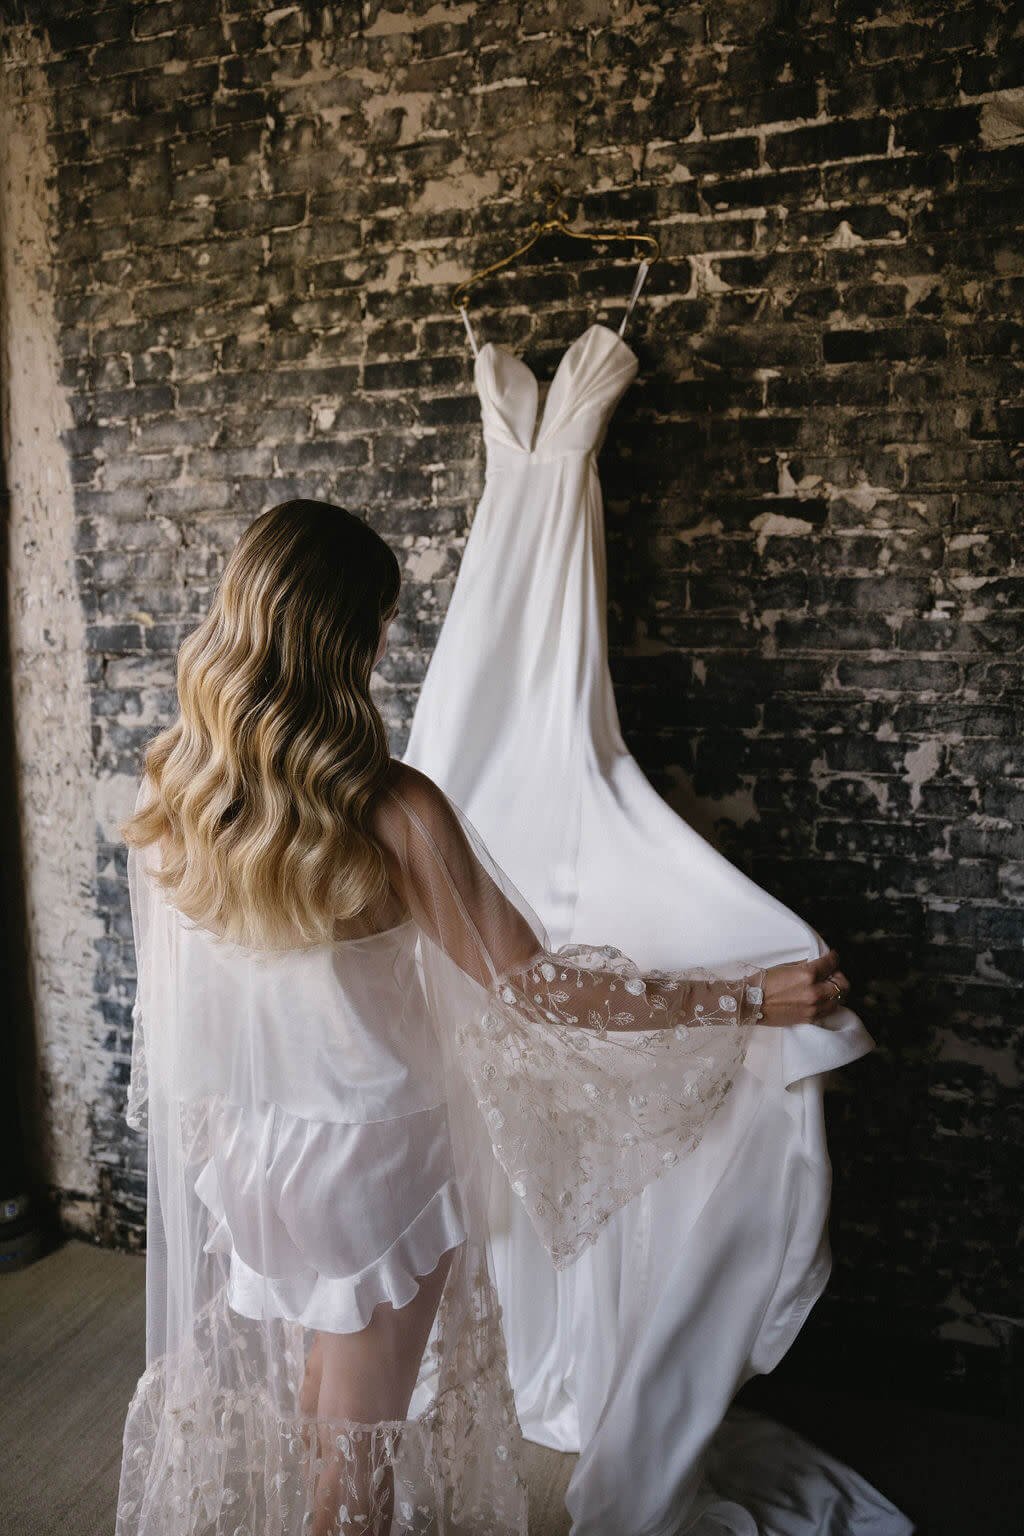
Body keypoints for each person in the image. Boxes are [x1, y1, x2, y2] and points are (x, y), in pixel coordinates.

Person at [117, 498, 850, 1536]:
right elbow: (540, 993)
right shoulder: (392, 810)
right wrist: (744, 998)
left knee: (326, 1400)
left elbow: (182, 1004)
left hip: (251, 1156)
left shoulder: (176, 789)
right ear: (355, 638)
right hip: (374, 1172)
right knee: (357, 1471)